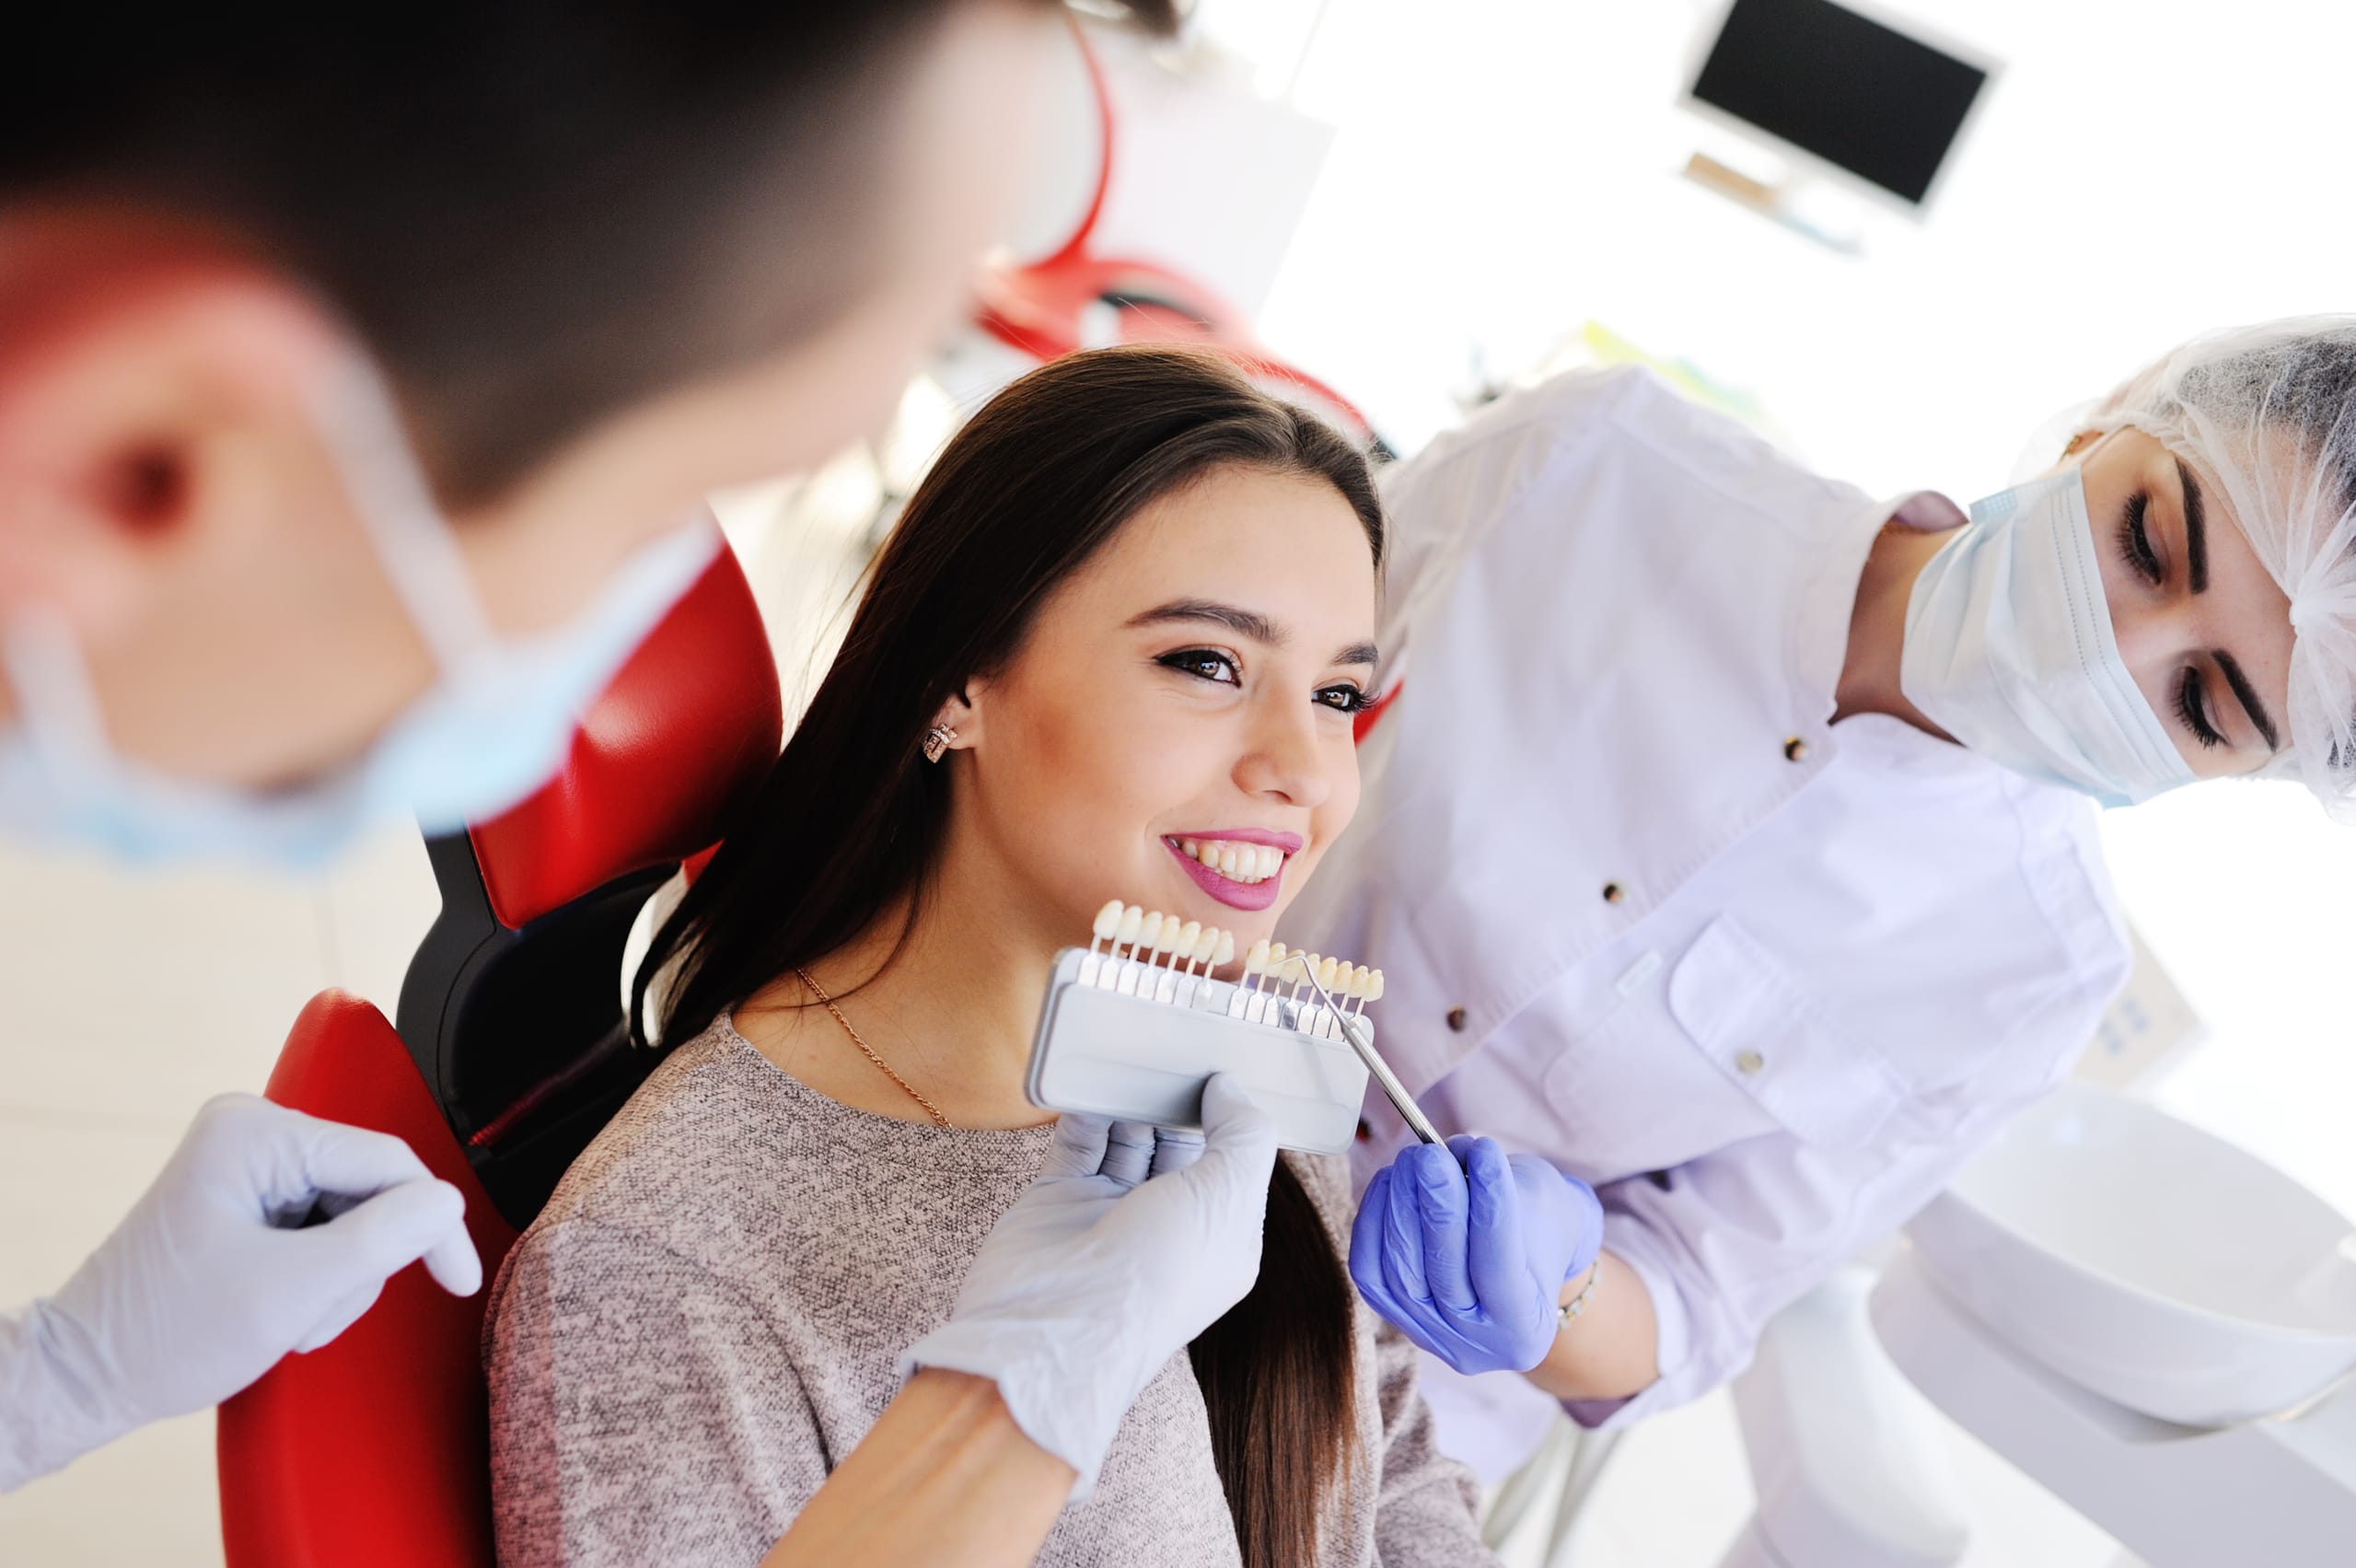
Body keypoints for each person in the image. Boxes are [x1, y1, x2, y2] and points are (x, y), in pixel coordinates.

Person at [0, 9, 1296, 1539]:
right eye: (652, 511)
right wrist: (1021, 1398)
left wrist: (44, 1386)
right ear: (138, 464)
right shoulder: (672, 1249)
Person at [1288, 317, 2356, 1481]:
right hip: (1115, 1109)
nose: (2116, 646)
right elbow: (1221, 689)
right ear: (2121, 410)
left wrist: (1555, 1290)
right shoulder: (1596, 463)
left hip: (1378, 1400)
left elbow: (1692, 1296)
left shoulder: (2028, 977)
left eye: (2203, 703)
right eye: (2146, 539)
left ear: (2253, 773)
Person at [484, 345, 1496, 1568]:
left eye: (1337, 694)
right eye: (1206, 662)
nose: (1302, 769)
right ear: (955, 680)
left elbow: (1387, 1486)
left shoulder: (1244, 1045)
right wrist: (1037, 1376)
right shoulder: (671, 1265)